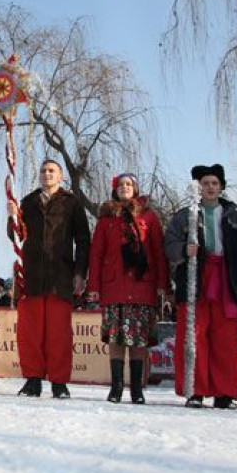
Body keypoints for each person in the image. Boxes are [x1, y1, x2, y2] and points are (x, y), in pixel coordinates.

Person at [164, 164, 237, 409]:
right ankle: (195, 390)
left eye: (215, 183)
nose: (210, 187)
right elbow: (169, 243)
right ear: (198, 187)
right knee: (194, 335)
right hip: (196, 280)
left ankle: (224, 392)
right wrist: (184, 250)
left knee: (224, 339)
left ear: (222, 186)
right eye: (205, 183)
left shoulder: (235, 217)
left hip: (226, 280)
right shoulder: (186, 215)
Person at [7, 160, 90, 399]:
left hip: (60, 275)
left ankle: (59, 382)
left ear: (61, 176)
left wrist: (80, 272)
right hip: (31, 275)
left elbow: (83, 240)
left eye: (52, 170)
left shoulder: (71, 203)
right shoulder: (28, 202)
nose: (47, 174)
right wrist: (12, 217)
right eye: (43, 170)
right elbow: (17, 235)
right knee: (31, 332)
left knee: (59, 333)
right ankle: (32, 380)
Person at [87, 173, 167, 405]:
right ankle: (116, 387)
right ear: (115, 189)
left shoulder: (149, 217)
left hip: (142, 286)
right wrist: (94, 286)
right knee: (116, 338)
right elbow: (96, 254)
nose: (124, 188)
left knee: (138, 339)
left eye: (128, 184)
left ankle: (136, 389)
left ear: (136, 189)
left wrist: (163, 284)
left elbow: (159, 253)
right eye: (121, 185)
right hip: (114, 286)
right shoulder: (105, 220)